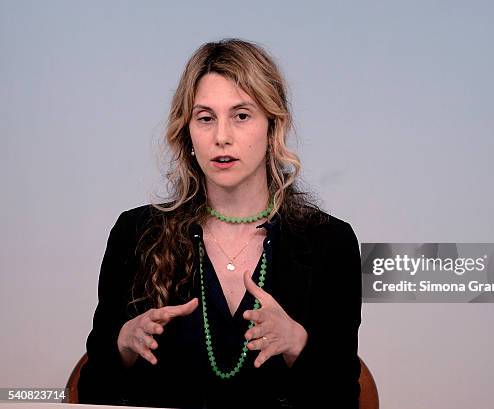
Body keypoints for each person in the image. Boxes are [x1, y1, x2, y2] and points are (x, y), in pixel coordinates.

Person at [77, 38, 362, 409]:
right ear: (189, 133)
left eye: (241, 115)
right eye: (205, 118)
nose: (221, 137)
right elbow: (91, 391)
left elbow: (343, 398)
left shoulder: (330, 242)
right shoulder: (135, 234)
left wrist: (296, 343)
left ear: (273, 127)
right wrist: (123, 345)